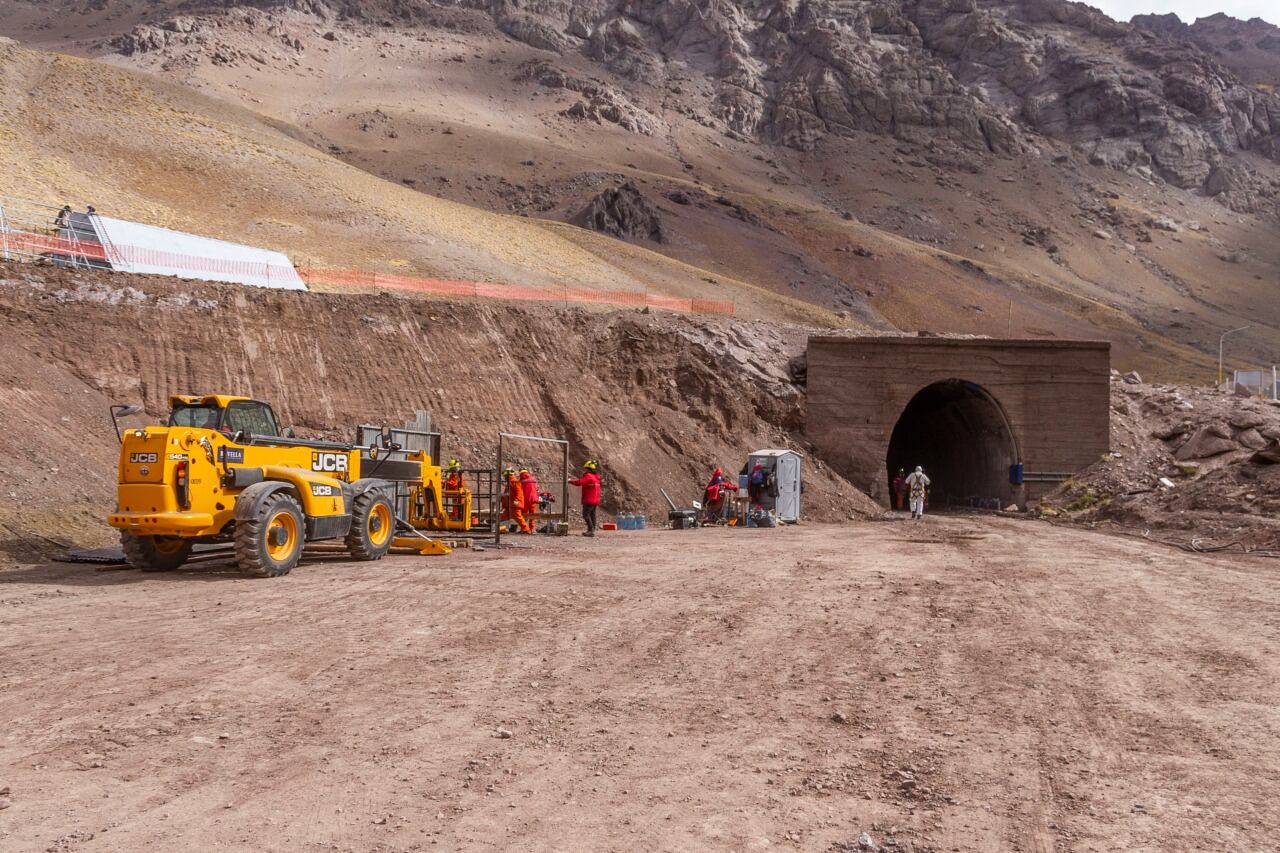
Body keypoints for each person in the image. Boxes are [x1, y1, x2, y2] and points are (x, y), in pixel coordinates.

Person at [569, 460, 602, 537]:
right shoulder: (596, 477)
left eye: (586, 468)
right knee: (592, 514)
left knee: (586, 515)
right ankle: (592, 530)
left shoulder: (589, 476)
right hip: (595, 499)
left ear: (589, 469)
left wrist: (570, 481)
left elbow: (580, 482)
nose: (585, 470)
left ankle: (590, 530)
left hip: (589, 499)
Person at [502, 467, 532, 534]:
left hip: (515, 504)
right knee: (504, 516)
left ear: (508, 475)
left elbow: (519, 492)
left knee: (518, 517)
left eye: (505, 476)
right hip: (510, 505)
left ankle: (526, 529)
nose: (504, 477)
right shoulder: (511, 482)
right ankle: (502, 529)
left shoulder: (514, 482)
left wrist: (516, 500)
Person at [519, 468, 540, 532]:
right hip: (533, 499)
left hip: (525, 499)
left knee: (523, 514)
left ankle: (524, 529)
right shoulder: (533, 479)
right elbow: (537, 488)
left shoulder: (521, 480)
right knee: (532, 514)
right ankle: (531, 529)